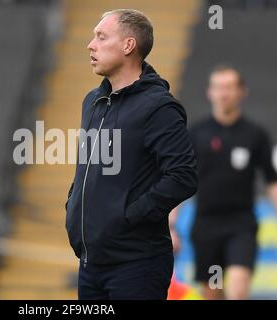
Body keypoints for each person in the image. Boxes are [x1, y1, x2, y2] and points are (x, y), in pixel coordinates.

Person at [64, 9, 197, 300]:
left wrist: (130, 216)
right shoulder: (93, 101)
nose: (91, 44)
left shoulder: (158, 107)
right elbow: (88, 168)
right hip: (90, 264)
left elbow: (184, 176)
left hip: (137, 264)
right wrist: (72, 203)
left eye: (101, 36)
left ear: (128, 46)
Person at [169, 65, 277, 300]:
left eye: (229, 87)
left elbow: (273, 182)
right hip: (206, 225)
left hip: (241, 225)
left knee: (237, 289)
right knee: (213, 293)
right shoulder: (197, 134)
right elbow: (180, 181)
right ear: (210, 93)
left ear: (241, 92)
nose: (223, 93)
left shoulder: (254, 135)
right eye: (218, 87)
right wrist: (171, 226)